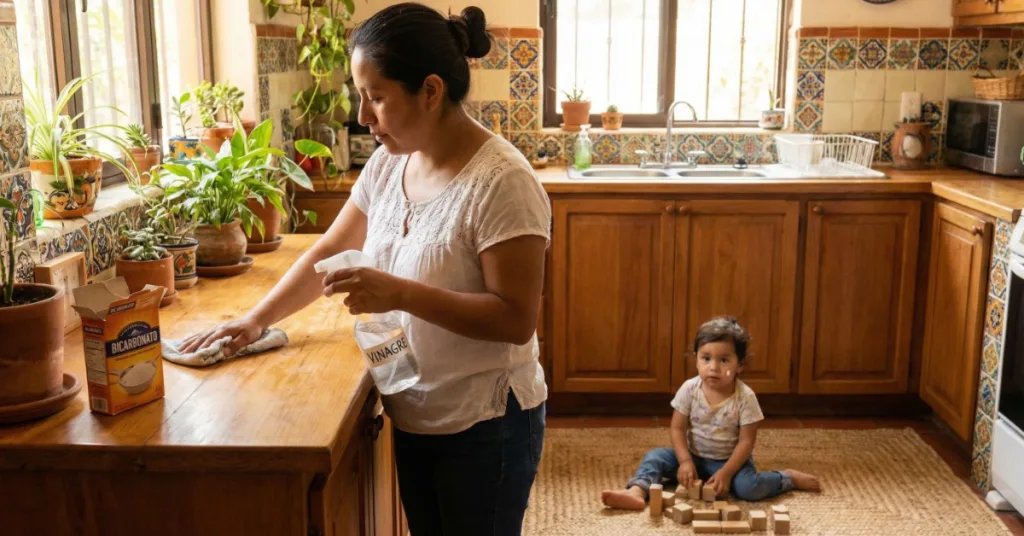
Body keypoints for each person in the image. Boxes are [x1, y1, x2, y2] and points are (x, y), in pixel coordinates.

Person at [178, 3, 551, 534]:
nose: (362, 116)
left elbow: (515, 320)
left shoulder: (502, 182)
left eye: (375, 97)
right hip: (413, 408)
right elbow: (329, 249)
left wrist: (399, 293)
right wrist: (256, 320)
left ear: (430, 90)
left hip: (486, 424)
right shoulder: (389, 161)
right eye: (360, 95)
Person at [601, 316, 821, 510]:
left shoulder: (745, 397)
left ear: (740, 365)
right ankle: (637, 491)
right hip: (693, 456)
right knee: (655, 457)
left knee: (749, 488)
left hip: (730, 461)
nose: (713, 367)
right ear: (696, 359)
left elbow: (746, 442)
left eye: (724, 360)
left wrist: (727, 473)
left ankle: (787, 478)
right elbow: (677, 428)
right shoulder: (689, 389)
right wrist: (685, 461)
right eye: (706, 358)